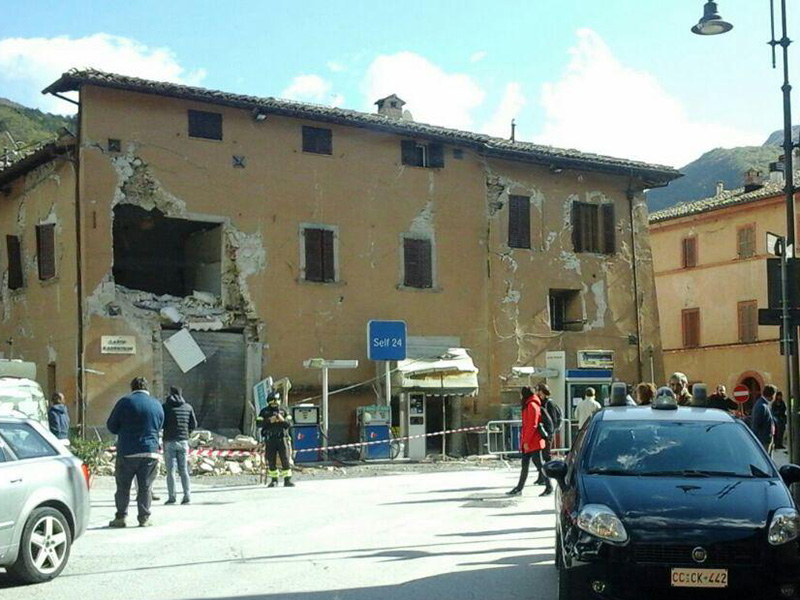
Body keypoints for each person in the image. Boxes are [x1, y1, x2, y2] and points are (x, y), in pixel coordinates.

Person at [107, 377, 164, 528]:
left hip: (127, 451)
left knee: (123, 487)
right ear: (147, 388)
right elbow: (160, 426)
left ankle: (121, 517)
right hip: (150, 451)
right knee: (145, 487)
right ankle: (144, 518)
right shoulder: (156, 404)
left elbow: (111, 426)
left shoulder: (124, 402)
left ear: (132, 388)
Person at [507, 386, 552, 497]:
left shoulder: (532, 405)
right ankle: (519, 488)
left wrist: (526, 441)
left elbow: (532, 425)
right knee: (525, 465)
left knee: (539, 465)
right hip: (529, 441)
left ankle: (549, 487)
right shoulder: (529, 404)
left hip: (533, 442)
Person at [162, 386, 197, 505]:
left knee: (170, 471)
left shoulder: (165, 407)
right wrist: (187, 433)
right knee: (184, 470)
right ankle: (187, 495)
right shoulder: (188, 407)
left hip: (169, 441)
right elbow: (193, 424)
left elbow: (162, 423)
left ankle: (172, 497)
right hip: (183, 441)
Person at [259, 391, 294, 488]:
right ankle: (274, 480)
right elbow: (258, 423)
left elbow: (290, 424)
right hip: (270, 439)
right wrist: (269, 420)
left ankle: (287, 480)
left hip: (282, 438)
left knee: (285, 458)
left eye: (276, 402)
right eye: (272, 403)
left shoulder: (284, 410)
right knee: (271, 459)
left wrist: (282, 419)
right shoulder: (264, 411)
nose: (274, 404)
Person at [751, 384, 776, 451]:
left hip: (767, 438)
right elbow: (756, 425)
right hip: (763, 441)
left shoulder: (765, 404)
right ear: (772, 395)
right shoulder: (761, 406)